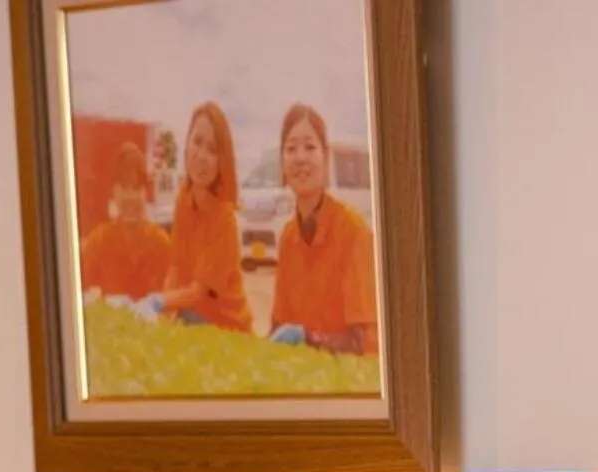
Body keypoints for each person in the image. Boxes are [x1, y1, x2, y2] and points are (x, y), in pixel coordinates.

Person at [267, 104, 378, 355]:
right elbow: (277, 327)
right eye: (291, 148)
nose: (300, 158)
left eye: (310, 147)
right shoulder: (287, 238)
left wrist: (308, 338)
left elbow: (363, 343)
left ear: (326, 158)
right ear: (282, 163)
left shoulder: (353, 231)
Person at [156, 102, 251, 332]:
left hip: (226, 327)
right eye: (197, 142)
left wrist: (159, 302)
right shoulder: (183, 199)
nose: (202, 156)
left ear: (222, 162)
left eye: (213, 149)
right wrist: (161, 308)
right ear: (186, 145)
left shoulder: (224, 217)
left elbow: (199, 292)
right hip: (192, 316)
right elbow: (176, 268)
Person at [78, 142, 170, 303]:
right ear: (114, 191)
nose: (131, 197)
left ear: (146, 192)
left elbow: (174, 303)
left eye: (136, 188)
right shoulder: (98, 241)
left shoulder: (161, 244)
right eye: (124, 187)